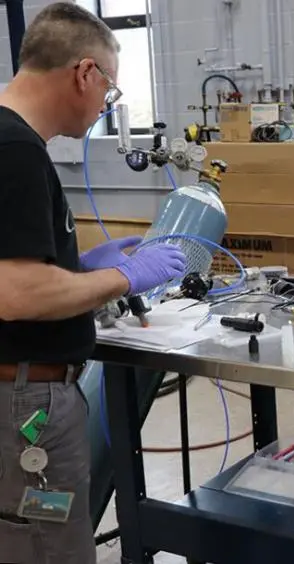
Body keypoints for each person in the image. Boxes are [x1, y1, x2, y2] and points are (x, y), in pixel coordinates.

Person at [0, 4, 186, 563]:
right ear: (84, 72)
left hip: (16, 396)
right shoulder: (15, 151)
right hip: (27, 409)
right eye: (110, 87)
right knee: (48, 542)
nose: (107, 102)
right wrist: (122, 276)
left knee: (20, 538)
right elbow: (17, 295)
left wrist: (76, 268)